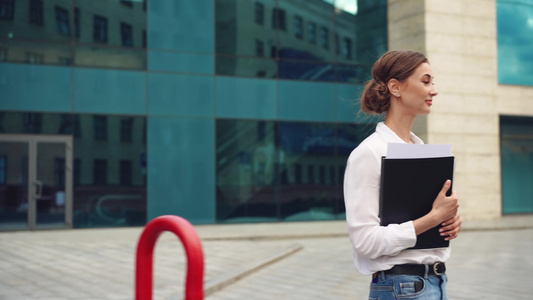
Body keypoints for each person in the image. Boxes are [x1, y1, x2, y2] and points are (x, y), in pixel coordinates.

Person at [343, 50, 462, 300]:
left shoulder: (421, 152)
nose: (434, 90)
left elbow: (422, 220)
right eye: (426, 81)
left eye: (433, 82)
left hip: (436, 283)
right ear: (396, 87)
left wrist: (447, 224)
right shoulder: (368, 154)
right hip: (401, 289)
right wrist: (432, 219)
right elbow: (365, 242)